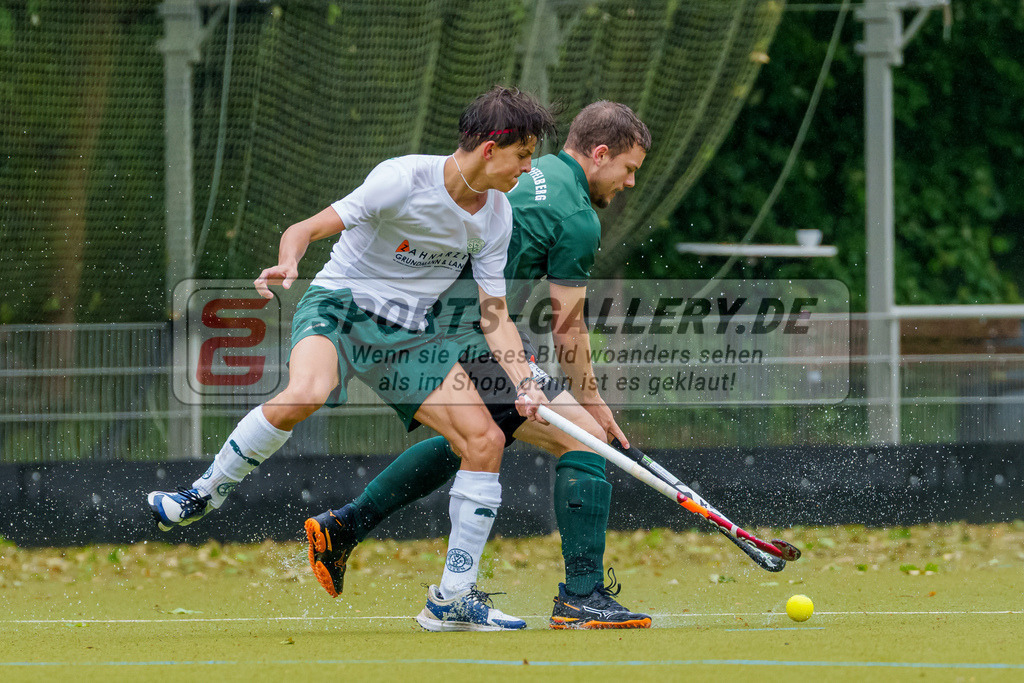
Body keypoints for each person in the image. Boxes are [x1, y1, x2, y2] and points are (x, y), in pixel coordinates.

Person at [148, 86, 558, 632]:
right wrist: (288, 264)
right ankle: (202, 494)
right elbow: (306, 229)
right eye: (523, 155)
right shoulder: (401, 179)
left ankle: (452, 598)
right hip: (341, 307)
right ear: (490, 148)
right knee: (305, 394)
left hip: (408, 336)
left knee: (483, 441)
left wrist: (525, 380)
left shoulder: (497, 216)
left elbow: (494, 313)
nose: (528, 169)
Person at [305, 101, 654, 630]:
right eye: (629, 169)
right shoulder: (578, 217)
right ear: (601, 154)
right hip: (467, 332)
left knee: (478, 438)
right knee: (583, 438)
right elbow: (568, 329)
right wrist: (595, 404)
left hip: (433, 320)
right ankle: (581, 597)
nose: (629, 183)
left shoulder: (533, 171)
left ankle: (345, 526)